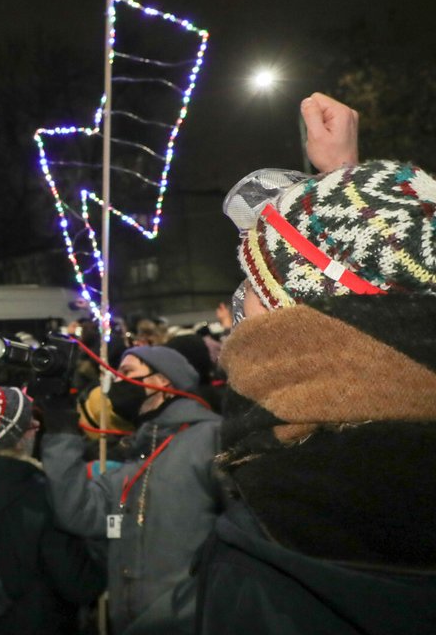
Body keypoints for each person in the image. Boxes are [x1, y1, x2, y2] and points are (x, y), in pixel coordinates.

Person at [195, 93, 436, 634]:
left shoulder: (285, 523)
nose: (240, 307)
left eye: (253, 285)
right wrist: (343, 186)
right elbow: (374, 301)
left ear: (293, 318)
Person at [38, 345, 221, 634]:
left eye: (127, 372)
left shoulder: (210, 438)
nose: (117, 382)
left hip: (193, 624)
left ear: (163, 380)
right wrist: (61, 429)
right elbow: (76, 511)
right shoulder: (135, 459)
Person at [0, 385, 105, 634]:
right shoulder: (41, 496)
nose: (37, 427)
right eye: (30, 423)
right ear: (17, 438)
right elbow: (80, 585)